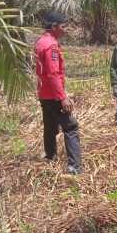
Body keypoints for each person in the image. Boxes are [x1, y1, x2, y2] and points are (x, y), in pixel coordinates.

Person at [34, 11, 82, 175]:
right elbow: (53, 73)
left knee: (50, 125)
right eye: (63, 25)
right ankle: (74, 167)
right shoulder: (51, 46)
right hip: (53, 95)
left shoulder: (41, 42)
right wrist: (62, 97)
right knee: (71, 126)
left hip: (43, 93)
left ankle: (50, 156)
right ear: (54, 27)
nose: (65, 29)